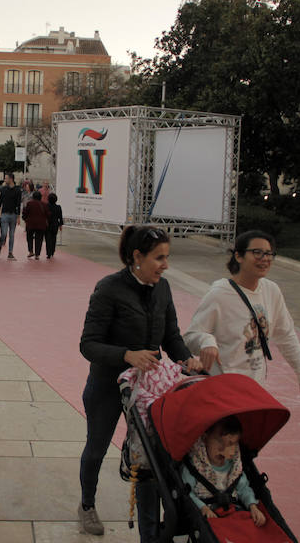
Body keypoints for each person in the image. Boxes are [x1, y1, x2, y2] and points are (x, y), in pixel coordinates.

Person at [78, 225, 202, 541]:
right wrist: (127, 355)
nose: (165, 265)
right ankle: (87, 504)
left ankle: (149, 532)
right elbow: (88, 345)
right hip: (108, 386)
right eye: (159, 258)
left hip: (150, 391)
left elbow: (171, 336)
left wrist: (186, 360)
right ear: (137, 256)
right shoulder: (109, 289)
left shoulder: (163, 289)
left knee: (151, 459)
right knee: (96, 449)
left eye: (167, 257)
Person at [184, 230, 300, 394]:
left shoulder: (271, 290)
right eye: (257, 253)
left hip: (255, 388)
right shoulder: (219, 294)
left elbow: (286, 334)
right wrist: (206, 340)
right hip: (223, 388)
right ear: (239, 256)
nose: (265, 259)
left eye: (269, 254)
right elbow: (189, 339)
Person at [180, 416, 266, 528]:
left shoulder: (234, 468)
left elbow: (244, 489)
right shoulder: (195, 467)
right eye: (219, 442)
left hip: (234, 512)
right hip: (208, 513)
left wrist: (252, 506)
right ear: (205, 439)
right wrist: (203, 507)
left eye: (231, 444)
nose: (223, 449)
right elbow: (187, 493)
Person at [0, 172, 21, 259]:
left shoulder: (17, 190)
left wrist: (18, 217)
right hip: (4, 214)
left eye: (6, 178)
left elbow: (18, 204)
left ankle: (10, 252)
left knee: (12, 235)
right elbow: (0, 201)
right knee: (4, 233)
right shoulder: (3, 189)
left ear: (11, 179)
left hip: (13, 214)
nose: (5, 180)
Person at [22, 190, 49, 259]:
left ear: (33, 197)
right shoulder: (44, 204)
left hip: (30, 224)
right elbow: (48, 214)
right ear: (40, 197)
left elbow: (25, 212)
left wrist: (25, 219)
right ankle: (37, 254)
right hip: (41, 224)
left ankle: (31, 251)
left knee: (29, 237)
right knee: (39, 239)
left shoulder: (29, 203)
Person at [45, 192, 64, 259]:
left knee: (48, 239)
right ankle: (52, 251)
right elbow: (60, 217)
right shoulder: (58, 207)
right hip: (55, 225)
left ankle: (48, 253)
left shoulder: (46, 206)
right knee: (53, 238)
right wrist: (61, 225)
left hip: (47, 225)